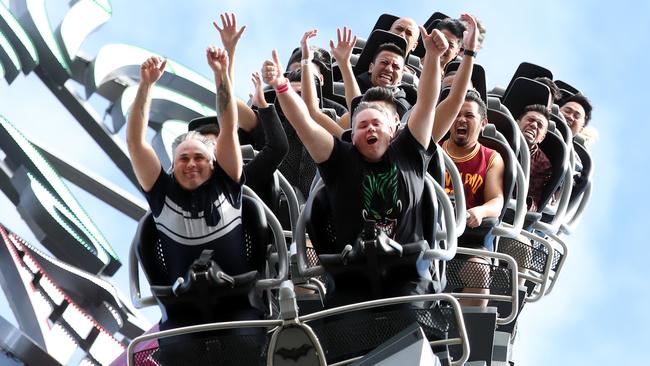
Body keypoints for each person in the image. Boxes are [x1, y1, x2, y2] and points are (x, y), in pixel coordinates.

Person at [261, 26, 448, 300]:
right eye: (361, 125)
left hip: (407, 277)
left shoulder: (409, 149)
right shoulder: (340, 158)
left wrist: (432, 56)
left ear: (394, 129)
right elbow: (304, 123)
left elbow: (428, 102)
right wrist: (281, 86)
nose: (370, 130)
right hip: (352, 278)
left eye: (376, 123)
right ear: (352, 133)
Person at [440, 91, 505, 307]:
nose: (461, 119)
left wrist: (480, 211)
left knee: (479, 271)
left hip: (468, 237)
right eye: (456, 114)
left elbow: (496, 200)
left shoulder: (491, 158)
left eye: (469, 116)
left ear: (483, 123)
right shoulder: (435, 149)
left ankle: (463, 333)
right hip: (428, 231)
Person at [190, 72, 288, 211]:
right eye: (199, 147)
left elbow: (278, 147)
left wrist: (262, 105)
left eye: (212, 146)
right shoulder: (176, 196)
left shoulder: (242, 181)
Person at [517, 104, 553, 212]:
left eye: (540, 125)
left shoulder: (543, 164)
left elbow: (533, 202)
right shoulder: (498, 138)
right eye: (530, 120)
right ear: (517, 123)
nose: (533, 125)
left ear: (542, 138)